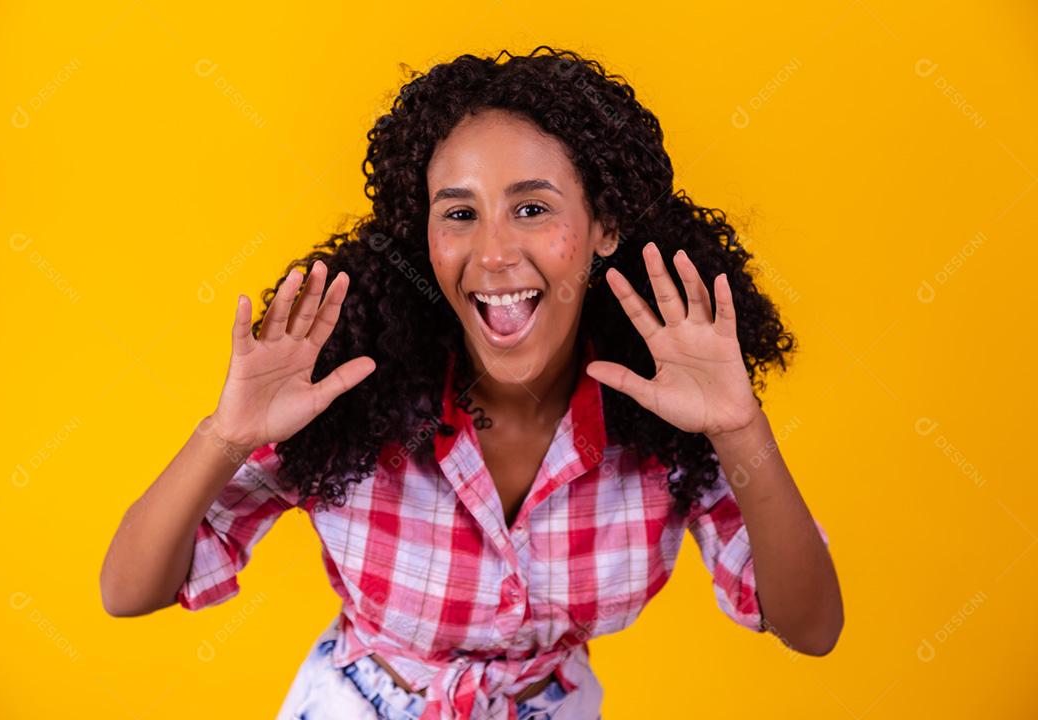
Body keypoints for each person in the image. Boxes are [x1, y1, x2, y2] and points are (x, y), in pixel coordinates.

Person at [100, 46, 843, 720]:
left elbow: (811, 628)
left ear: (604, 224)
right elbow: (129, 592)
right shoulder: (349, 399)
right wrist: (225, 437)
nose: (491, 254)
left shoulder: (667, 415)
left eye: (531, 208)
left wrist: (739, 429)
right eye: (460, 213)